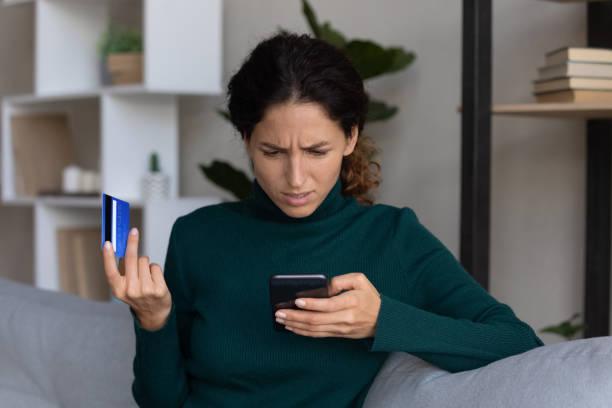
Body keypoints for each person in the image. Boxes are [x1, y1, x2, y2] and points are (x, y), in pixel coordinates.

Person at [101, 31, 544, 408]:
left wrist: (382, 320)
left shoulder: (392, 238)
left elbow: (517, 344)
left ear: (350, 137)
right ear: (246, 139)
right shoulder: (198, 236)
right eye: (272, 152)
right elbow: (161, 402)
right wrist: (153, 320)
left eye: (317, 151)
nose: (295, 179)